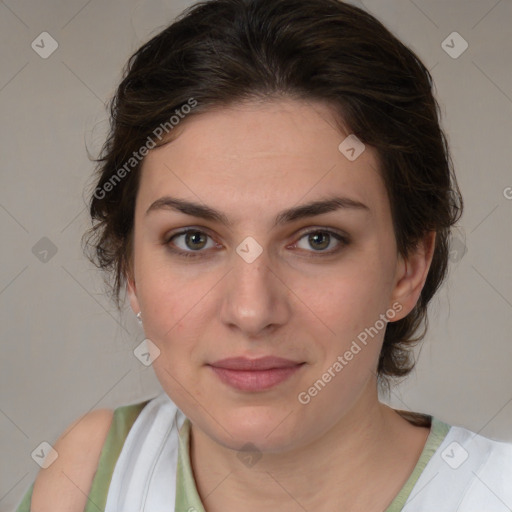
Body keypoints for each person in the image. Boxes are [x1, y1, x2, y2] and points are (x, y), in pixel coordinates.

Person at [15, 0, 512, 510]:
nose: (251, 312)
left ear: (408, 268)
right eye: (193, 240)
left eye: (319, 239)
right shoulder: (92, 470)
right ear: (131, 270)